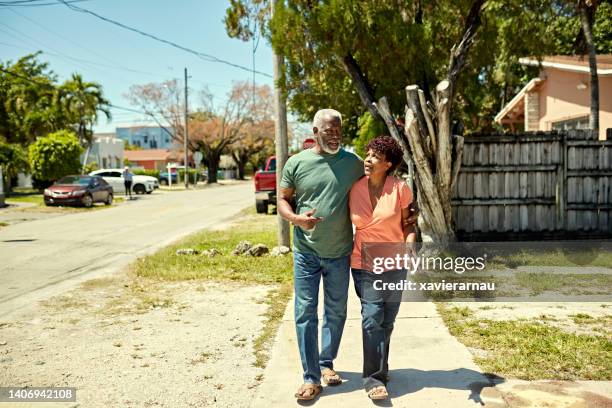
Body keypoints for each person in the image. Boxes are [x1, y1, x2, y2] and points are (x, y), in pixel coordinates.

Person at [278, 109, 364, 401]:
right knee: (305, 312)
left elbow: (377, 184)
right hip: (306, 251)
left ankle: (326, 362)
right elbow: (282, 199)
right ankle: (311, 377)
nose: (335, 135)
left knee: (336, 311)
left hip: (340, 251)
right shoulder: (297, 163)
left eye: (338, 130)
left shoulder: (353, 163)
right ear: (315, 132)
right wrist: (296, 219)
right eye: (329, 131)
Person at [349, 135, 417, 400]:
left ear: (388, 164)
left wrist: (410, 245)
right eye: (367, 154)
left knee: (387, 321)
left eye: (375, 156)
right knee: (371, 316)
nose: (367, 159)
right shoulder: (354, 189)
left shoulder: (401, 189)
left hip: (394, 263)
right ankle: (373, 378)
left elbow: (409, 223)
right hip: (363, 263)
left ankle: (381, 367)